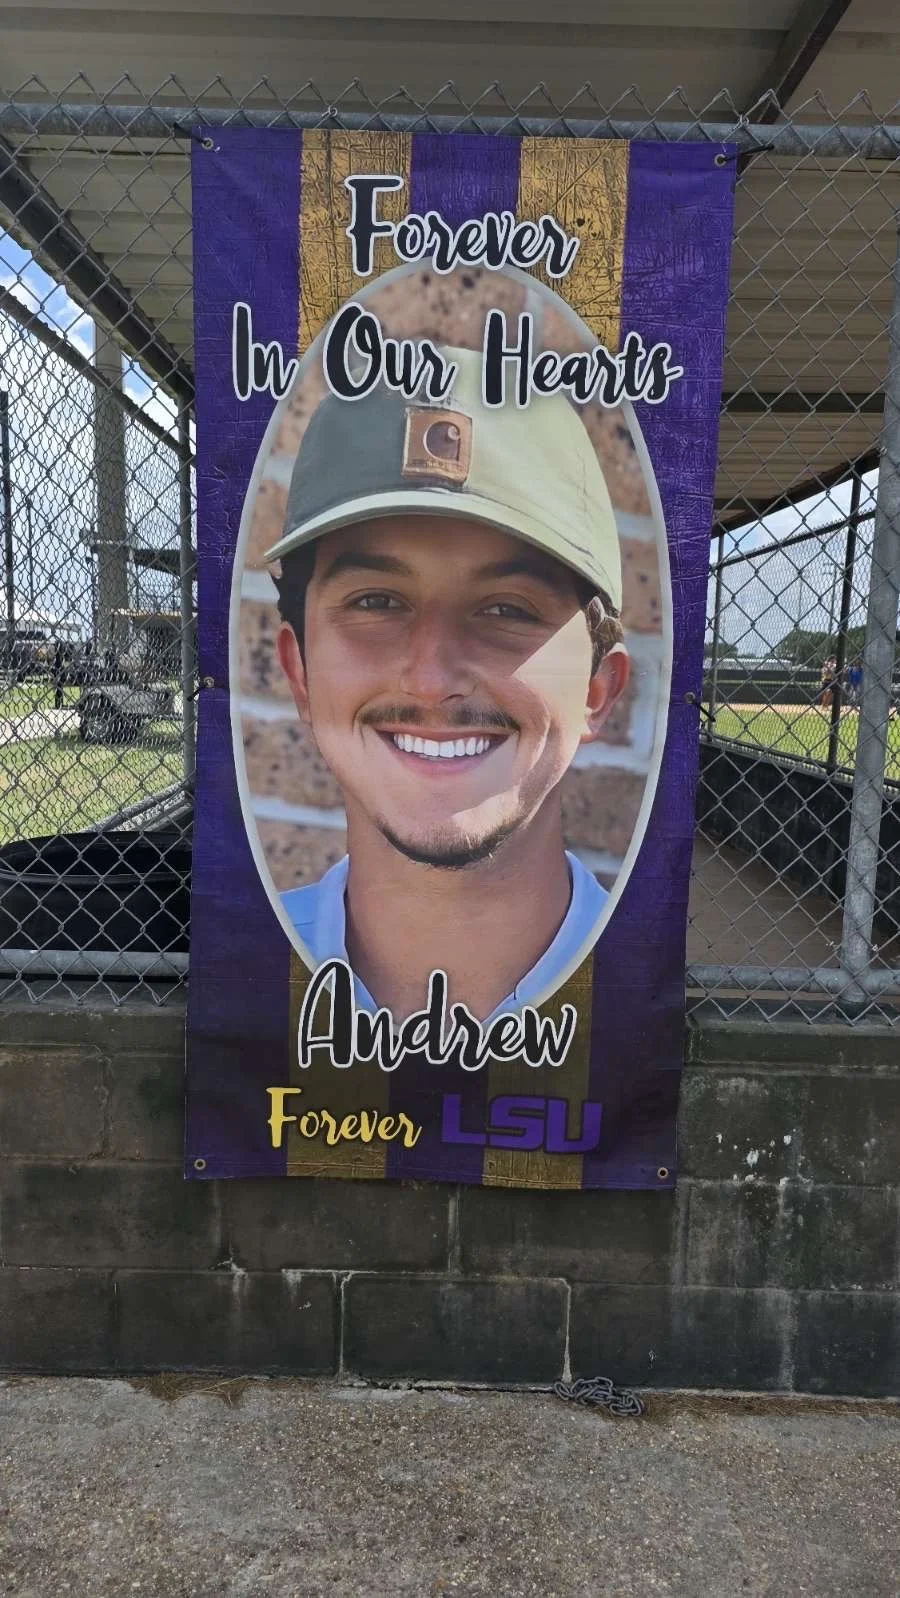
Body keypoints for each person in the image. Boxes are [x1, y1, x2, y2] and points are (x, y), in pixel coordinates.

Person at [264, 346, 631, 1023]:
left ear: (595, 691)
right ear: (300, 672)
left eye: (508, 610)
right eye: (376, 602)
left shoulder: (650, 978)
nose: (432, 680)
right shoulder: (245, 959)